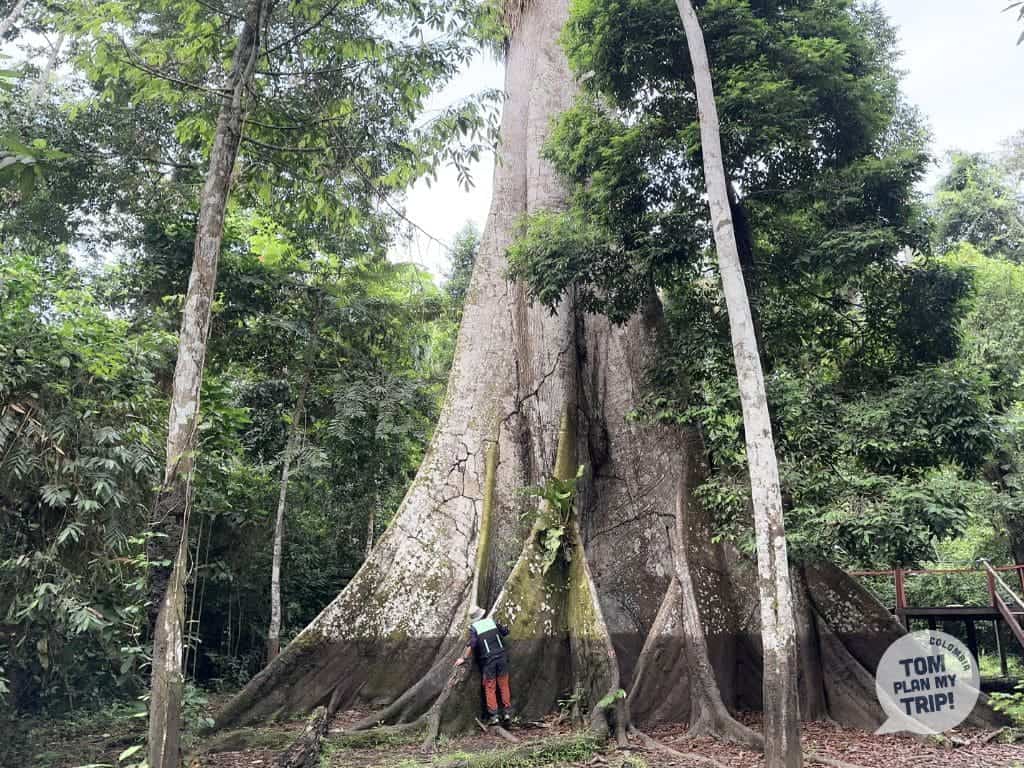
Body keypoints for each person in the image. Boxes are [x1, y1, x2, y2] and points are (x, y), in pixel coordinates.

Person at [454, 607, 512, 725]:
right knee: (504, 685)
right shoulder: (492, 622)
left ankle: (494, 716)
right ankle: (506, 713)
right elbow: (505, 632)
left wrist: (463, 658)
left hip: (489, 660)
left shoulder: (475, 628)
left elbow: (473, 644)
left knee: (490, 687)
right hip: (501, 657)